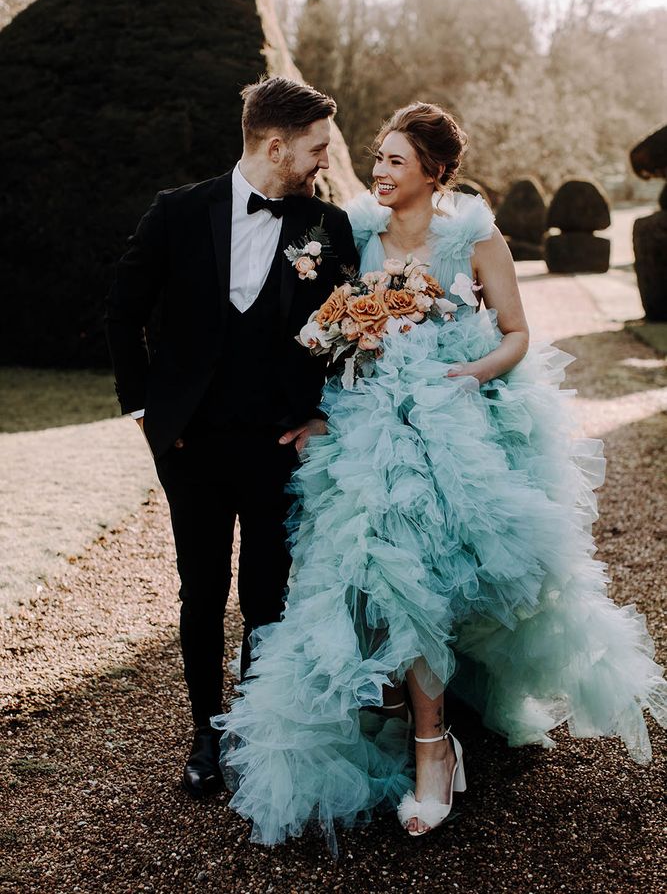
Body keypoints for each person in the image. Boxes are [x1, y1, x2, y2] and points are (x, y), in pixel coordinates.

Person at [215, 102, 667, 847]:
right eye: (377, 157)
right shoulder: (349, 234)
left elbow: (517, 332)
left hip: (456, 426)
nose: (380, 170)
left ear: (433, 171)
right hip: (363, 426)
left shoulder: (474, 238)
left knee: (426, 577)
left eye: (396, 160)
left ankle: (434, 746)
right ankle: (394, 714)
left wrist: (470, 372)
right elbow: (317, 322)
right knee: (360, 576)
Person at [105, 76, 359, 799]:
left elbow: (351, 336)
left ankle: (251, 727)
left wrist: (322, 417)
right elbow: (123, 311)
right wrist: (142, 410)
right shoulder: (177, 213)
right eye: (314, 148)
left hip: (279, 445)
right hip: (190, 446)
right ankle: (201, 733)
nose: (321, 161)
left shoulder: (326, 228)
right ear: (274, 145)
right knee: (201, 589)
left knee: (266, 595)